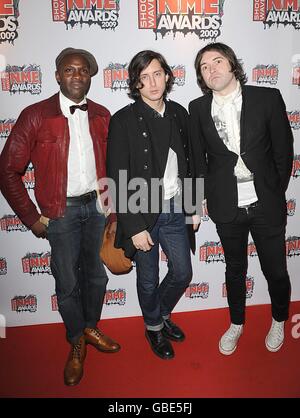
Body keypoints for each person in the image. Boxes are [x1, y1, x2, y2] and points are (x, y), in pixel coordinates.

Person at [0, 47, 120, 386]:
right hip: (60, 212)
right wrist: (31, 217)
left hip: (97, 208)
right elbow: (7, 170)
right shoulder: (35, 115)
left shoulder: (102, 114)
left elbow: (112, 166)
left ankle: (90, 327)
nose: (77, 75)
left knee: (96, 277)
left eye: (83, 70)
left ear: (91, 76)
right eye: (69, 70)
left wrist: (113, 210)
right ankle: (76, 341)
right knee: (67, 282)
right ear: (57, 75)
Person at [189, 42, 294, 355]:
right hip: (226, 207)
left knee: (275, 269)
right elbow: (196, 161)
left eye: (217, 61)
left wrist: (275, 191)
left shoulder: (267, 98)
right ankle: (237, 323)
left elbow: (283, 151)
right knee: (234, 270)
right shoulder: (197, 108)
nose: (212, 70)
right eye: (204, 67)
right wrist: (194, 206)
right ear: (201, 77)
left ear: (232, 64)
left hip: (266, 204)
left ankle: (278, 319)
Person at [106, 50, 200, 360]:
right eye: (143, 78)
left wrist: (194, 205)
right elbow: (116, 177)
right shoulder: (122, 120)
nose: (152, 83)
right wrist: (133, 227)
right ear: (136, 84)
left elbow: (191, 162)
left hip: (175, 206)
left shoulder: (179, 113)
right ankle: (154, 326)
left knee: (182, 273)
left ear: (168, 76)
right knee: (147, 277)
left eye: (157, 74)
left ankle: (157, 316)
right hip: (142, 210)